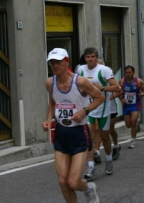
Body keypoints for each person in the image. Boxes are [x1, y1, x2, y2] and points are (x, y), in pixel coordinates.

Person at [43, 48, 103, 203]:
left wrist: (84, 111)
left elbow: (99, 97)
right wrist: (49, 119)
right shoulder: (50, 82)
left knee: (73, 182)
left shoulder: (80, 82)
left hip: (79, 132)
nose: (55, 66)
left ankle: (89, 189)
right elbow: (52, 103)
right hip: (61, 133)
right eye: (52, 63)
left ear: (66, 61)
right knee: (63, 181)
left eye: (58, 62)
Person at [78, 47, 122, 178]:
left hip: (103, 107)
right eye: (88, 57)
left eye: (92, 57)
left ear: (96, 58)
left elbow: (117, 88)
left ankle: (108, 159)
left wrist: (102, 87)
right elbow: (78, 86)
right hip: (88, 108)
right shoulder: (80, 70)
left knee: (104, 137)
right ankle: (90, 167)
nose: (90, 59)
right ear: (85, 58)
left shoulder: (104, 70)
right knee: (89, 137)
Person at [119, 65, 144, 148]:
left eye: (130, 72)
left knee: (133, 121)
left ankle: (133, 140)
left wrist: (142, 93)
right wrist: (121, 98)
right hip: (126, 105)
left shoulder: (138, 81)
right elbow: (117, 91)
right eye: (126, 73)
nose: (128, 74)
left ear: (133, 73)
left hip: (135, 104)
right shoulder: (122, 81)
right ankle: (135, 126)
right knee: (128, 125)